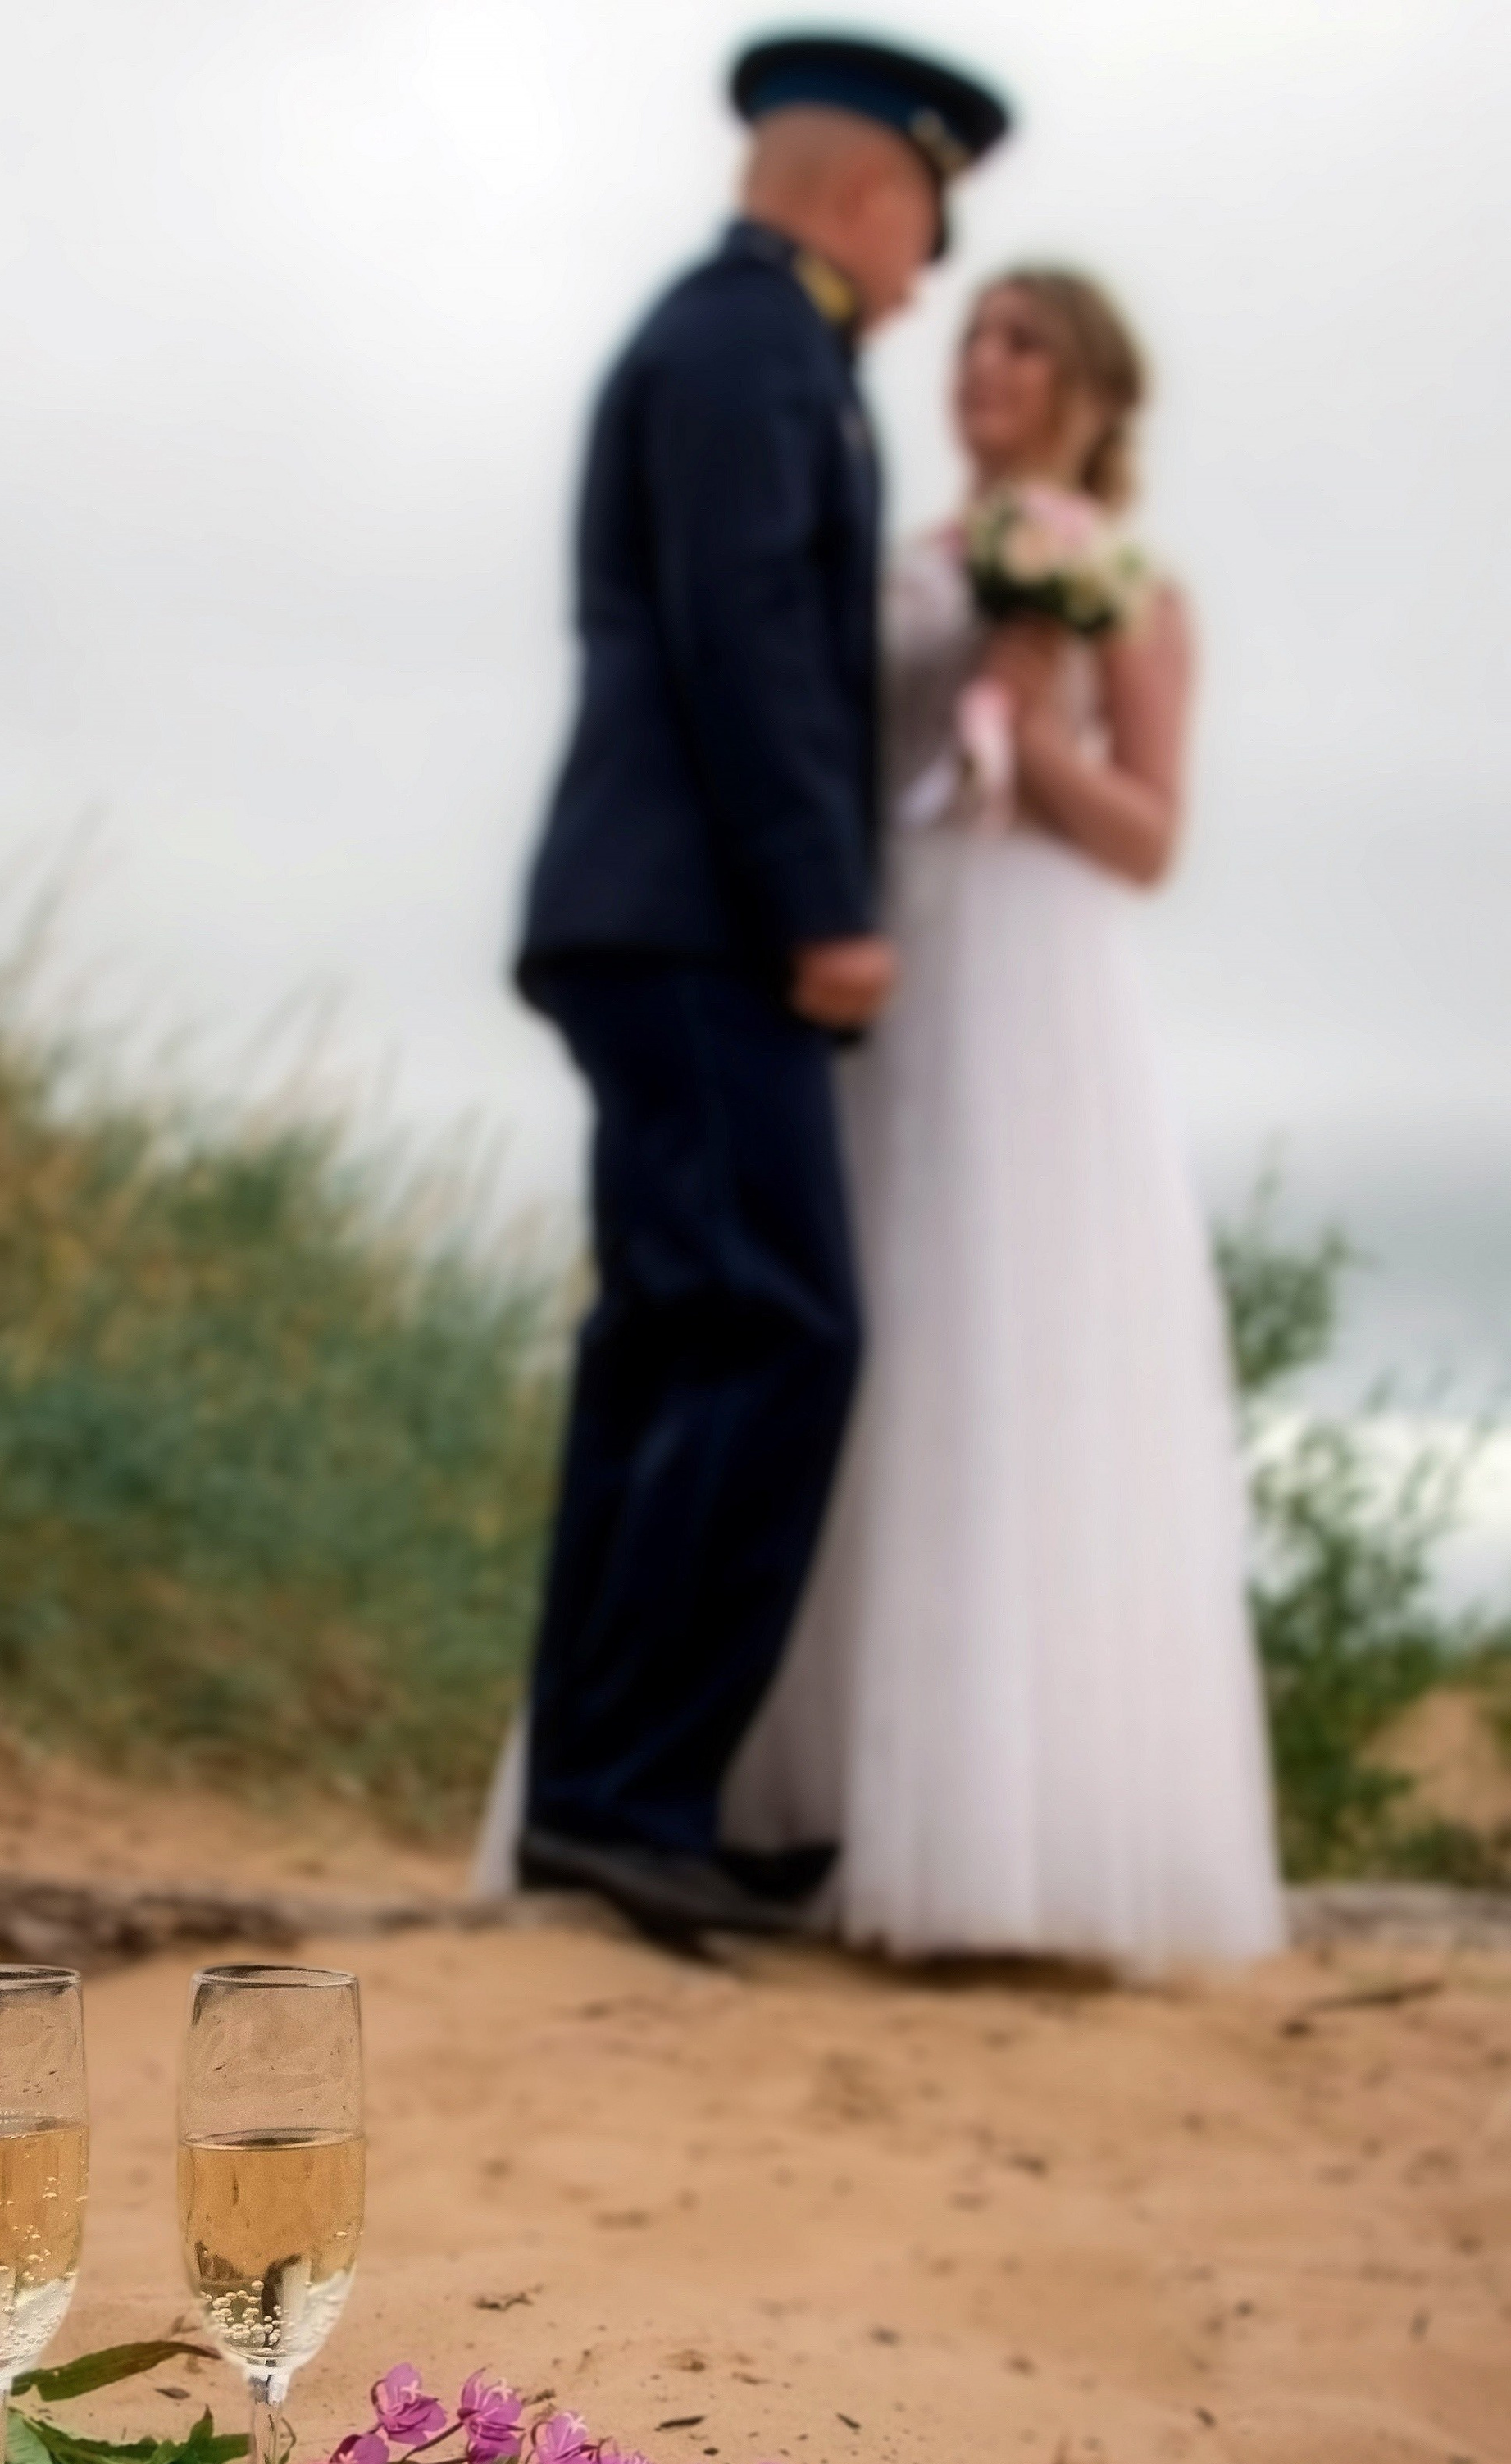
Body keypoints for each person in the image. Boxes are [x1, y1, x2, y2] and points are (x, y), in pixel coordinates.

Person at [506, 33, 1013, 1950]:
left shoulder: (751, 342)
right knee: (769, 1329)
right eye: (922, 228)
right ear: (865, 193)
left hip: (653, 911)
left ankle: (614, 1798)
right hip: (696, 917)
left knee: (680, 1333)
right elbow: (745, 645)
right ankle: (628, 1799)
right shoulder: (747, 346)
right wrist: (823, 903)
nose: (926, 276)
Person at [721, 271, 1286, 1969]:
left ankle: (996, 1835)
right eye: (971, 336)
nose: (983, 364)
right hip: (887, 964)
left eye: (1022, 342)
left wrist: (1028, 732)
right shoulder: (897, 562)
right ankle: (788, 1806)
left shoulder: (1131, 595)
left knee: (1008, 1352)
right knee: (855, 1336)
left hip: (1032, 987)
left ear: (1095, 394)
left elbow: (1145, 836)